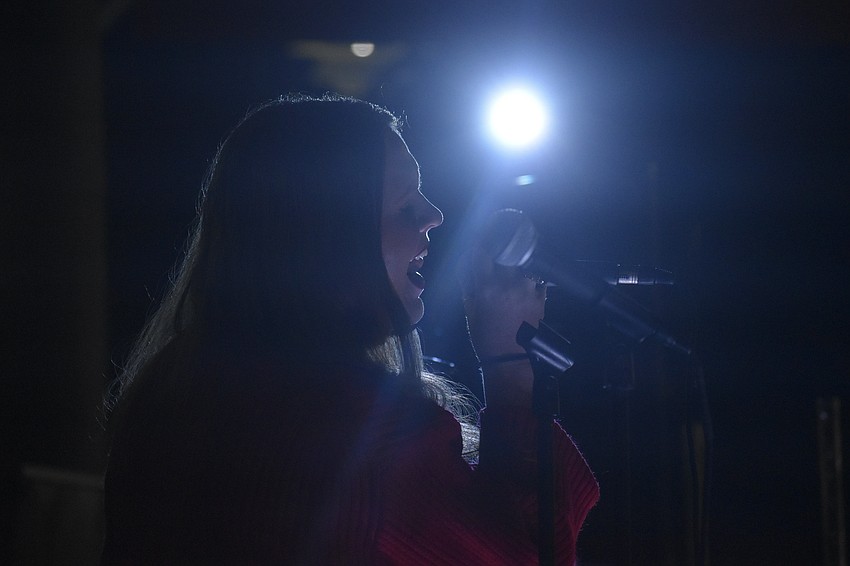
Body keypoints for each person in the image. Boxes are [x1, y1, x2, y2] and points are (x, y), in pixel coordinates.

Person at [101, 94, 598, 565]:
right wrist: (509, 368)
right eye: (405, 207)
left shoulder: (171, 398)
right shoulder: (361, 432)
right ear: (328, 238)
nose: (434, 216)